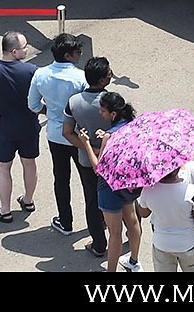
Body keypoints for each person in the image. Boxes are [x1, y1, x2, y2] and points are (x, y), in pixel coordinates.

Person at [0, 30, 41, 222]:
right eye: (24, 47)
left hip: (4, 128)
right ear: (14, 51)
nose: (27, 49)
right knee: (29, 164)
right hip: (29, 126)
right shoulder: (31, 71)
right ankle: (28, 200)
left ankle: (5, 210)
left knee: (4, 168)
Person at [28, 33, 89, 232]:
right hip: (79, 136)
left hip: (55, 134)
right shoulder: (81, 78)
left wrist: (52, 112)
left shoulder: (40, 75)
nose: (80, 54)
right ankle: (97, 222)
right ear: (68, 55)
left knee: (61, 180)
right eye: (77, 51)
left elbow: (33, 104)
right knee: (88, 181)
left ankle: (65, 221)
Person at [80, 91, 144, 271]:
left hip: (109, 187)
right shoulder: (133, 126)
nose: (101, 113)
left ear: (113, 114)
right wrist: (106, 136)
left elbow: (98, 168)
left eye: (103, 111)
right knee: (132, 222)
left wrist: (86, 143)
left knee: (114, 233)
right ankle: (133, 261)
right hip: (129, 184)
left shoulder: (110, 136)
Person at [62, 55, 114, 258]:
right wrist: (102, 149)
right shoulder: (112, 101)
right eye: (109, 74)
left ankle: (99, 245)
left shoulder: (74, 102)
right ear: (102, 80)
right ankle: (130, 232)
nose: (111, 76)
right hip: (112, 160)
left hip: (86, 161)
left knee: (91, 201)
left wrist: (88, 149)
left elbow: (67, 132)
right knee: (122, 197)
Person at [140, 159, 194, 272]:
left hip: (161, 244)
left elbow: (144, 213)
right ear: (177, 170)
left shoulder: (148, 190)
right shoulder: (190, 190)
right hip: (187, 244)